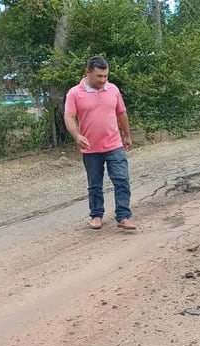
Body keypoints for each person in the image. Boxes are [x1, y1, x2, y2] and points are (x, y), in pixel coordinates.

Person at [64, 56, 136, 230]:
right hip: (90, 148)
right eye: (99, 76)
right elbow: (69, 117)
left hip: (114, 145)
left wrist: (127, 135)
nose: (103, 80)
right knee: (95, 185)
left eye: (105, 76)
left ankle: (123, 216)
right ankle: (96, 215)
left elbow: (121, 112)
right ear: (87, 73)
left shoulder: (113, 89)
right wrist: (77, 135)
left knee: (122, 180)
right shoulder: (75, 93)